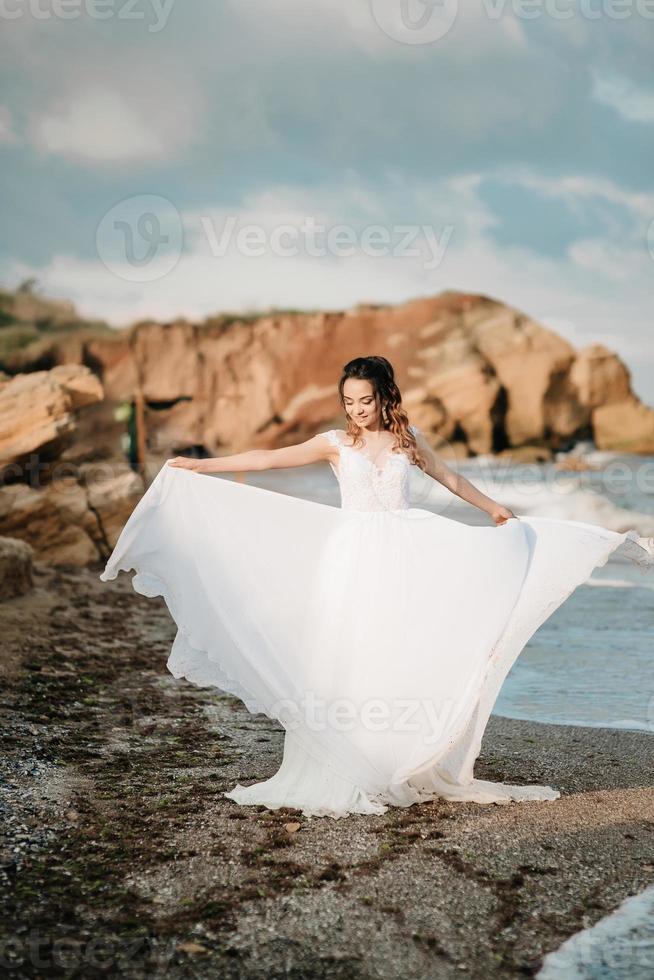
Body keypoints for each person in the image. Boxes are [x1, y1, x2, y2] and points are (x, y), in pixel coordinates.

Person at [100, 355, 653, 818]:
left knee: (397, 652)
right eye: (348, 401)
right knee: (348, 657)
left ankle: (397, 757)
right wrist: (202, 467)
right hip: (354, 559)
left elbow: (449, 478)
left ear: (383, 396)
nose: (356, 409)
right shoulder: (335, 443)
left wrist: (494, 509)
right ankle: (347, 762)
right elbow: (267, 459)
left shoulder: (406, 441)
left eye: (364, 400)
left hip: (408, 555)